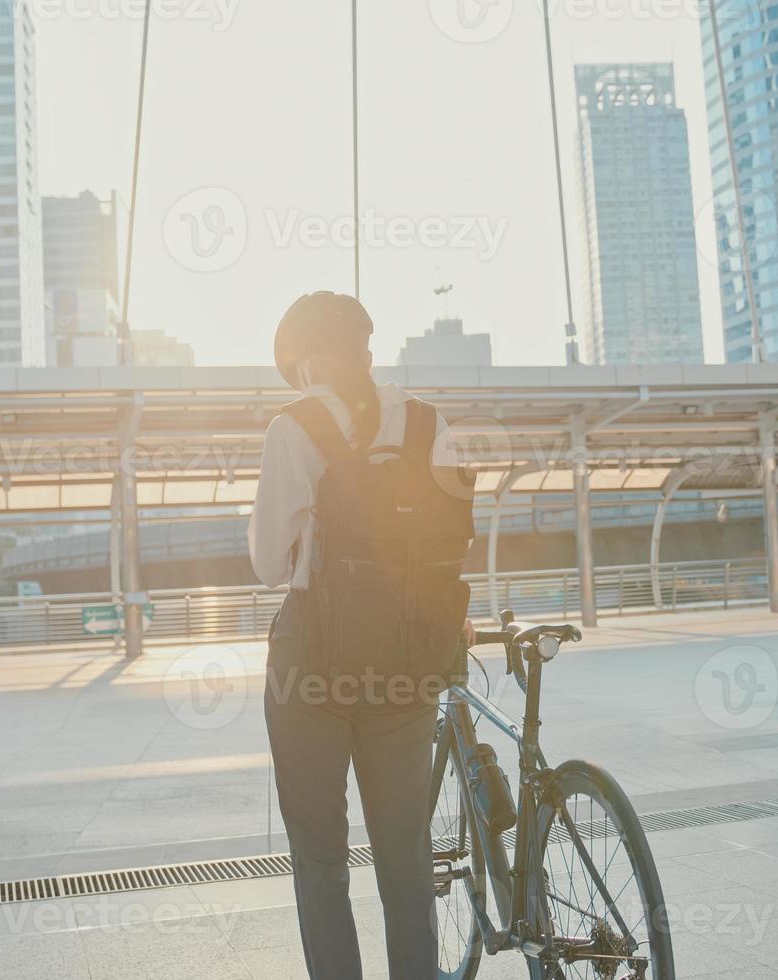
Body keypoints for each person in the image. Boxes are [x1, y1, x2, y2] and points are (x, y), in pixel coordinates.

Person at [249, 291, 471, 980]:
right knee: (404, 853)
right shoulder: (429, 423)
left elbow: (266, 564)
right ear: (367, 351)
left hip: (312, 661)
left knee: (321, 857)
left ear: (306, 358)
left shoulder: (296, 426)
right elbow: (452, 535)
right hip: (406, 657)